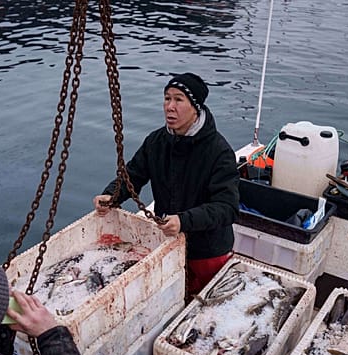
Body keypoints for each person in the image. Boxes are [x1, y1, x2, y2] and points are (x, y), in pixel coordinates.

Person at [93, 72, 239, 295]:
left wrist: (184, 220)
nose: (170, 106)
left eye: (179, 99)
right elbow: (133, 175)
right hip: (167, 241)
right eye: (167, 98)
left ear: (196, 107)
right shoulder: (157, 141)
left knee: (202, 304)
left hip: (207, 252)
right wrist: (111, 195)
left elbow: (227, 208)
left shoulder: (220, 152)